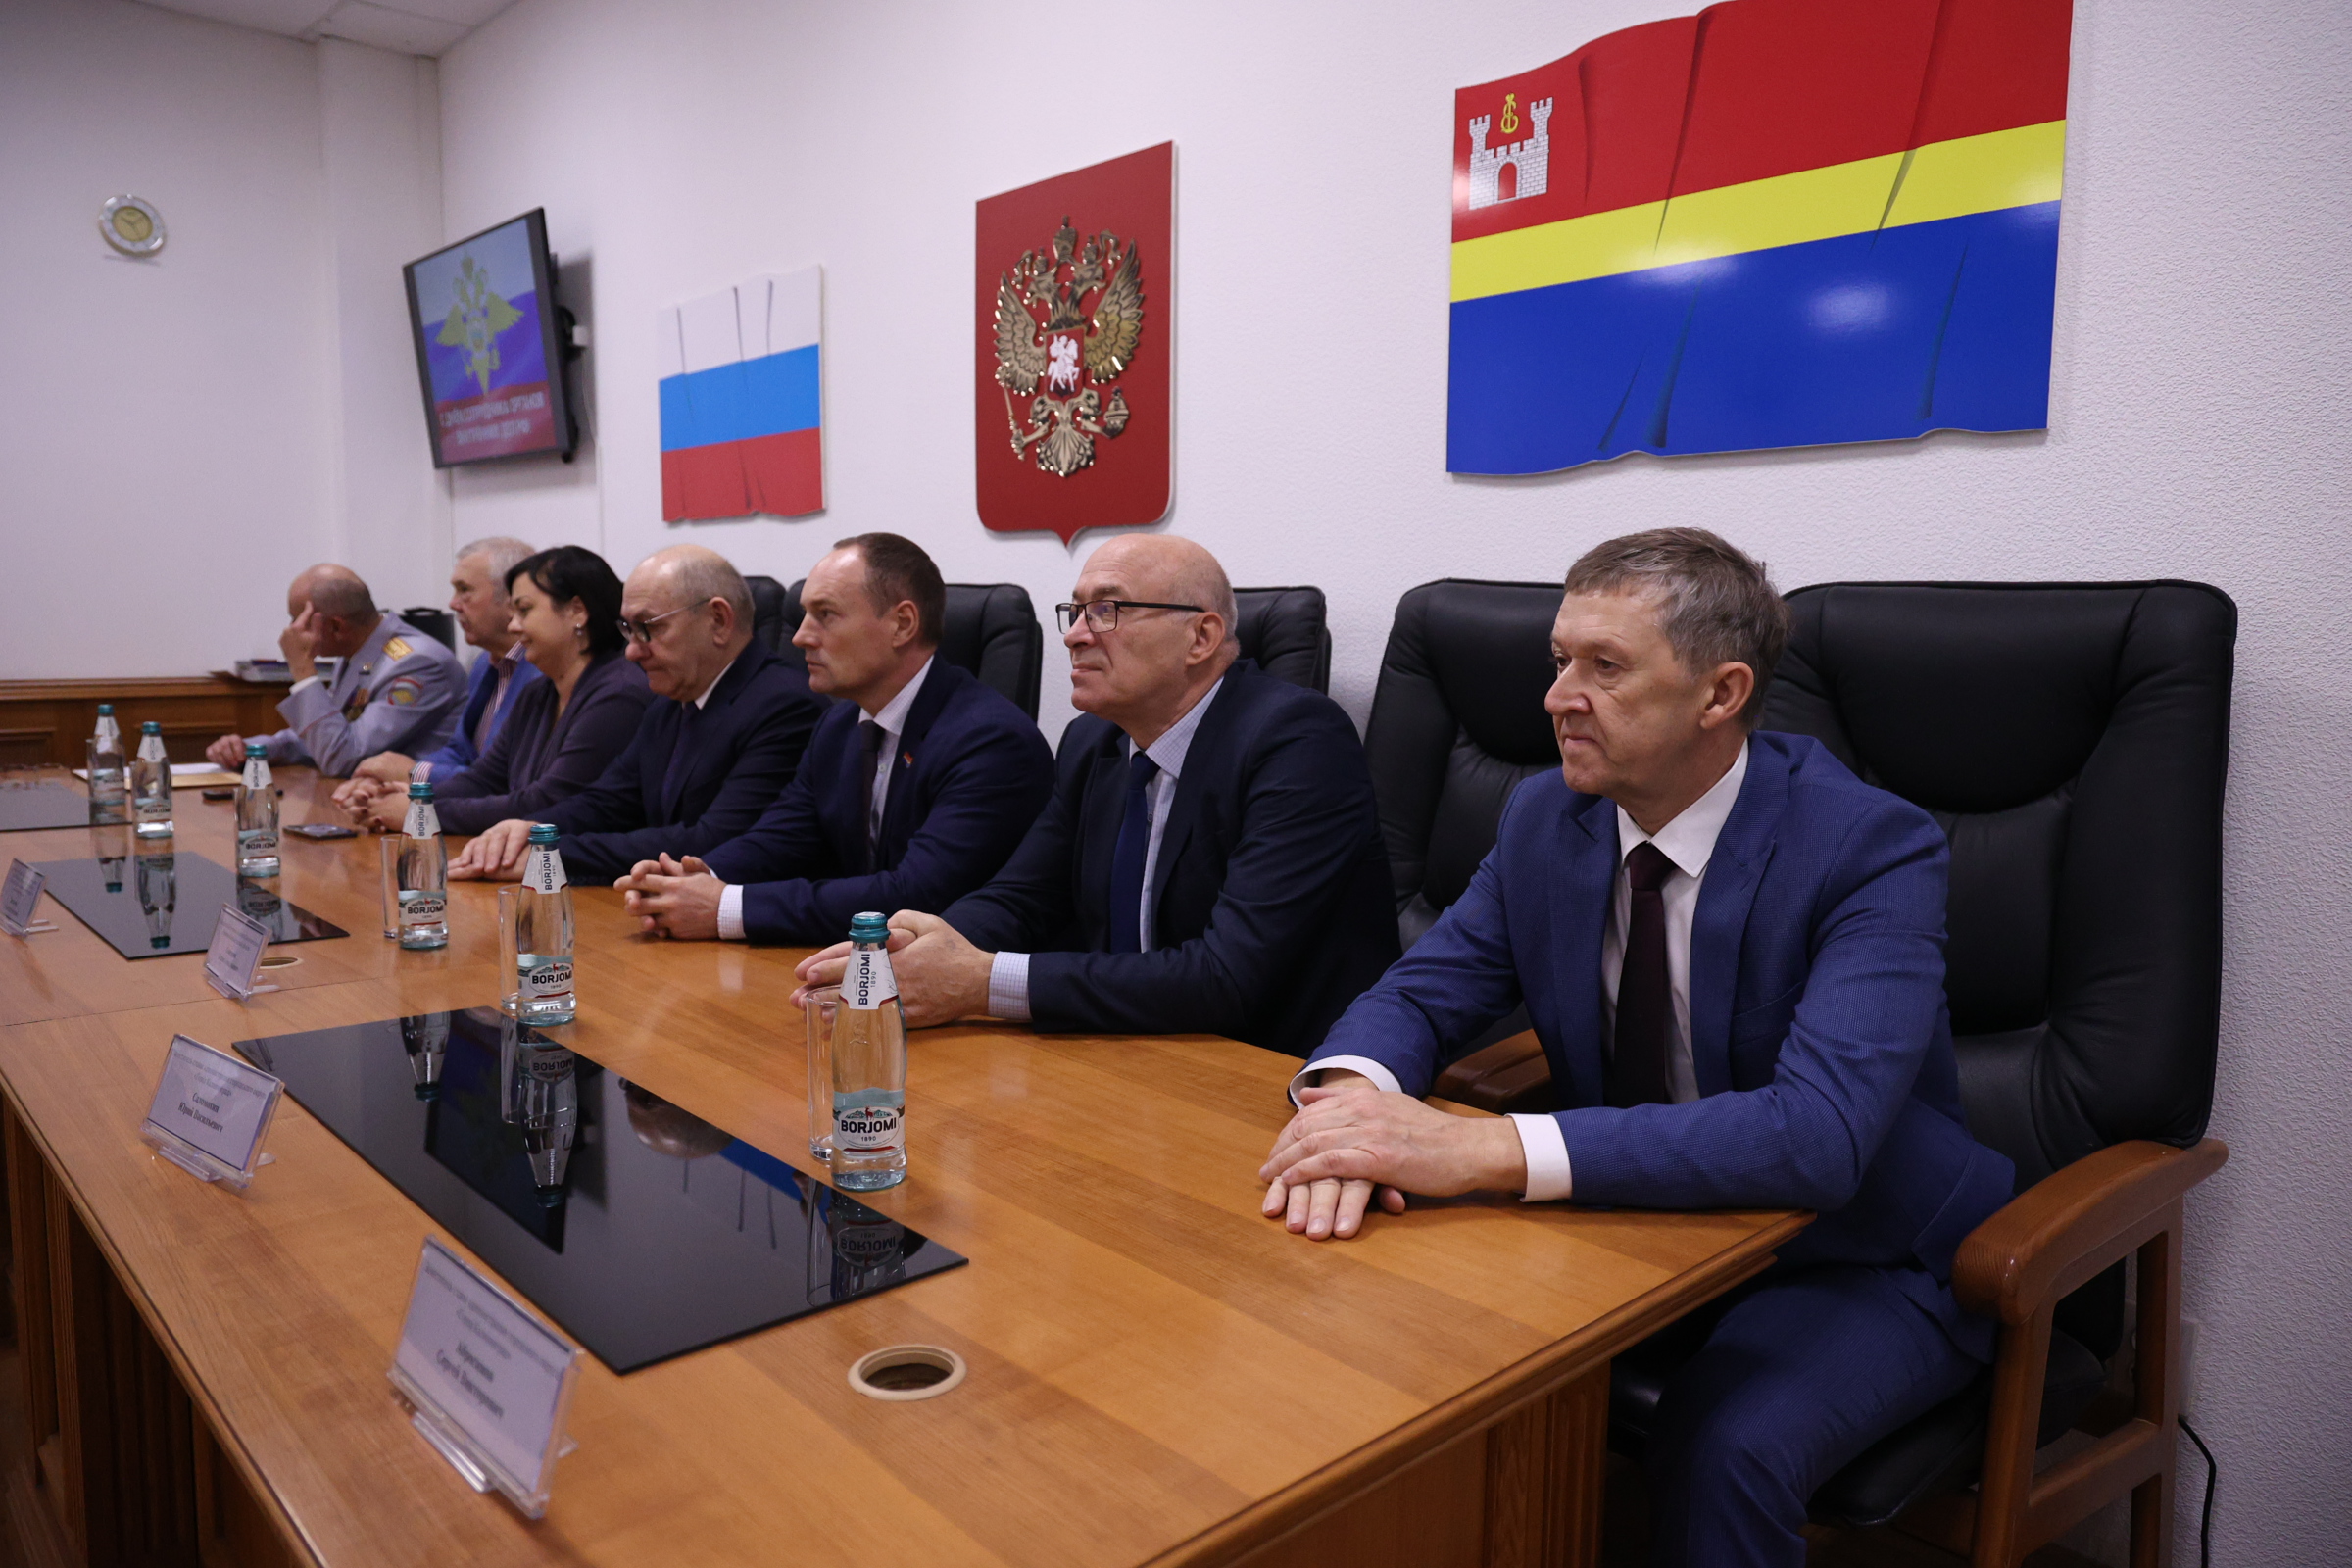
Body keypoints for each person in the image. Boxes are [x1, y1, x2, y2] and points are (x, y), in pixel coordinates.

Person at [1256, 529, 2016, 1568]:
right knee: (1385, 1342)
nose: (1557, 697)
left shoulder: (1869, 845)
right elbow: (1423, 993)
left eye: (1604, 667)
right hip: (1638, 1227)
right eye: (1559, 659)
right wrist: (1350, 1105)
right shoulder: (1546, 817)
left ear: (1720, 693)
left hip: (1860, 1252)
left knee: (1725, 1449)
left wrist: (1480, 1148)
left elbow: (1818, 1137)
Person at [792, 534, 1397, 1058]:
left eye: (1106, 610)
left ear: (1201, 636)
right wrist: (912, 955)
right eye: (1076, 612)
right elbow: (1022, 898)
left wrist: (983, 982)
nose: (1075, 637)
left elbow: (1227, 976)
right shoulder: (1093, 742)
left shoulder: (1297, 741)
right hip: (1129, 1049)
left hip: (1273, 1071)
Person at [618, 533, 1053, 944]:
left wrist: (726, 907)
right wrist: (695, 879)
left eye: (825, 614)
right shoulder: (839, 725)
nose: (800, 636)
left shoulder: (991, 741)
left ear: (902, 624)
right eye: (805, 615)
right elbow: (783, 836)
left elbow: (918, 893)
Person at [447, 544, 825, 884]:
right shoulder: (669, 701)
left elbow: (713, 840)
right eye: (628, 630)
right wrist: (532, 830)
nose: (631, 651)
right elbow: (608, 801)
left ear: (718, 620)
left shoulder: (784, 705)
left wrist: (551, 855)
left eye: (648, 628)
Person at [340, 546, 651, 836]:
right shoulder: (538, 692)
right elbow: (485, 779)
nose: (514, 626)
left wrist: (421, 814)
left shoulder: (618, 695)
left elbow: (546, 802)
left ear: (577, 611)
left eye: (524, 610)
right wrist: (409, 796)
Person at [335, 537, 541, 805]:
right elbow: (459, 750)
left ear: (511, 599)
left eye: (465, 590)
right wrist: (386, 778)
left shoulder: (543, 672)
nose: (453, 603)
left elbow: (507, 781)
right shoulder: (484, 663)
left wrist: (416, 774)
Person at [205, 564, 466, 775]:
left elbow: (341, 757)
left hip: (418, 807)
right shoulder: (361, 654)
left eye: (297, 620)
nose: (291, 631)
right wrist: (251, 749)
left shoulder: (417, 664)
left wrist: (302, 669)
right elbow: (326, 733)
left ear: (336, 627)